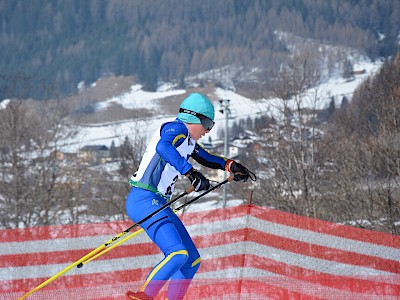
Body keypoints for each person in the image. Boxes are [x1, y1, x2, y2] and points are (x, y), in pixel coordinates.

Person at [125, 93, 251, 300]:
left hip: (158, 202)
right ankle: (144, 296)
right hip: (143, 198)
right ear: (194, 117)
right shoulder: (176, 129)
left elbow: (208, 158)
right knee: (177, 254)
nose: (208, 130)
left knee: (191, 260)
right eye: (208, 123)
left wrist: (231, 165)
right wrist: (190, 173)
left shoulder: (188, 142)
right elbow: (163, 147)